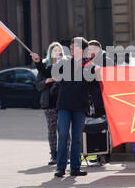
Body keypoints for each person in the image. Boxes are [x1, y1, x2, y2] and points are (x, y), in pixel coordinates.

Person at [51, 37, 100, 177]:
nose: (71, 50)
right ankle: (60, 167)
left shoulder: (89, 65)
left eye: (74, 47)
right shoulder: (65, 62)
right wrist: (39, 63)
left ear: (82, 50)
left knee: (77, 138)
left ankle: (75, 168)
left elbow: (96, 85)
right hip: (64, 105)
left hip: (80, 106)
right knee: (63, 136)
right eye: (71, 48)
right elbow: (50, 73)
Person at [31, 42, 66, 165]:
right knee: (52, 131)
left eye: (59, 50)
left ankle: (65, 154)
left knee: (64, 130)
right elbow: (38, 86)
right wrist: (46, 81)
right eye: (54, 50)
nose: (57, 52)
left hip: (63, 102)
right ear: (50, 53)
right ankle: (54, 155)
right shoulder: (44, 66)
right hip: (49, 103)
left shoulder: (64, 65)